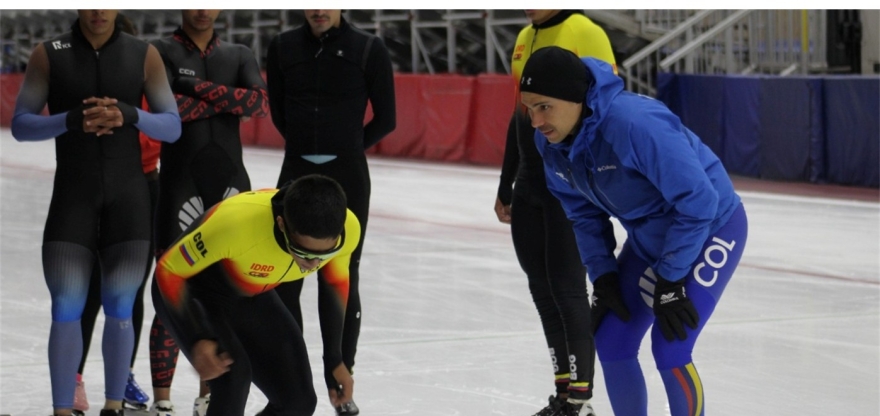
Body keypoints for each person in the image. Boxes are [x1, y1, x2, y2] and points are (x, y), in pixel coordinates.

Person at [519, 46, 749, 416]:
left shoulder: (635, 125)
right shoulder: (551, 142)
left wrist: (670, 281)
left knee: (671, 345)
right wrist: (604, 275)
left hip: (713, 226)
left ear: (575, 98)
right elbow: (582, 215)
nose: (536, 121)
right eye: (529, 108)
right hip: (650, 239)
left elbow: (699, 202)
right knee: (612, 340)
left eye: (544, 106)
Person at [10, 9, 181, 416]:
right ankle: (62, 409)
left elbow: (172, 126)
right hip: (73, 199)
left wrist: (130, 114)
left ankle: (113, 406)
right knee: (65, 306)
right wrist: (71, 120)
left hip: (130, 199)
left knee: (121, 305)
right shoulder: (49, 54)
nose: (99, 11)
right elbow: (21, 125)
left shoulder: (143, 54)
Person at [266, 9, 396, 415]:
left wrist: (347, 147)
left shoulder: (368, 48)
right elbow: (279, 113)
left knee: (341, 275)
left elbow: (387, 119)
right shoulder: (282, 46)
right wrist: (306, 148)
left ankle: (340, 375)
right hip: (295, 171)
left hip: (348, 175)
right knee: (287, 276)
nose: (318, 9)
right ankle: (293, 382)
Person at [151, 174, 360, 416]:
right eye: (302, 252)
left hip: (250, 294)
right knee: (233, 379)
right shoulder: (237, 224)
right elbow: (169, 270)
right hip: (192, 291)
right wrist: (198, 336)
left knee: (298, 402)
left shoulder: (349, 228)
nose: (312, 263)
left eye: (324, 255)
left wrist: (334, 360)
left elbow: (334, 284)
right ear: (281, 224)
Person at [146, 9, 269, 416]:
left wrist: (192, 87)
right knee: (172, 287)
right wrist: (225, 101)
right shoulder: (159, 50)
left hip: (230, 187)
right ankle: (163, 400)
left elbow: (258, 104)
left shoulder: (239, 53)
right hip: (179, 185)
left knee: (223, 294)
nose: (202, 9)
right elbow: (168, 110)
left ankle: (211, 393)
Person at [493, 10, 616, 416]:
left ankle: (580, 401)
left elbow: (604, 108)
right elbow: (521, 115)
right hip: (530, 184)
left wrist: (594, 180)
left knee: (567, 291)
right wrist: (507, 181)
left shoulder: (584, 31)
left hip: (567, 183)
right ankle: (564, 395)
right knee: (543, 292)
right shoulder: (523, 37)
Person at [74, 14, 159, 414]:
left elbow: (166, 128)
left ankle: (122, 373)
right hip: (95, 186)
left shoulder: (147, 76)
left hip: (144, 185)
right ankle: (73, 376)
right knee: (89, 288)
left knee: (130, 289)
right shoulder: (85, 80)